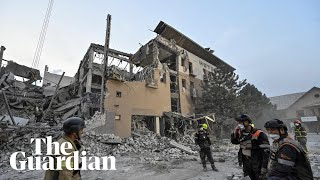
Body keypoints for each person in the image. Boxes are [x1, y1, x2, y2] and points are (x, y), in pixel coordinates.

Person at [231, 114, 269, 180]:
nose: (239, 124)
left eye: (240, 122)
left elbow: (266, 152)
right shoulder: (241, 133)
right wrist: (234, 133)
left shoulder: (259, 134)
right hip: (246, 162)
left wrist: (264, 167)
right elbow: (234, 142)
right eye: (238, 122)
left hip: (257, 163)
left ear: (247, 122)